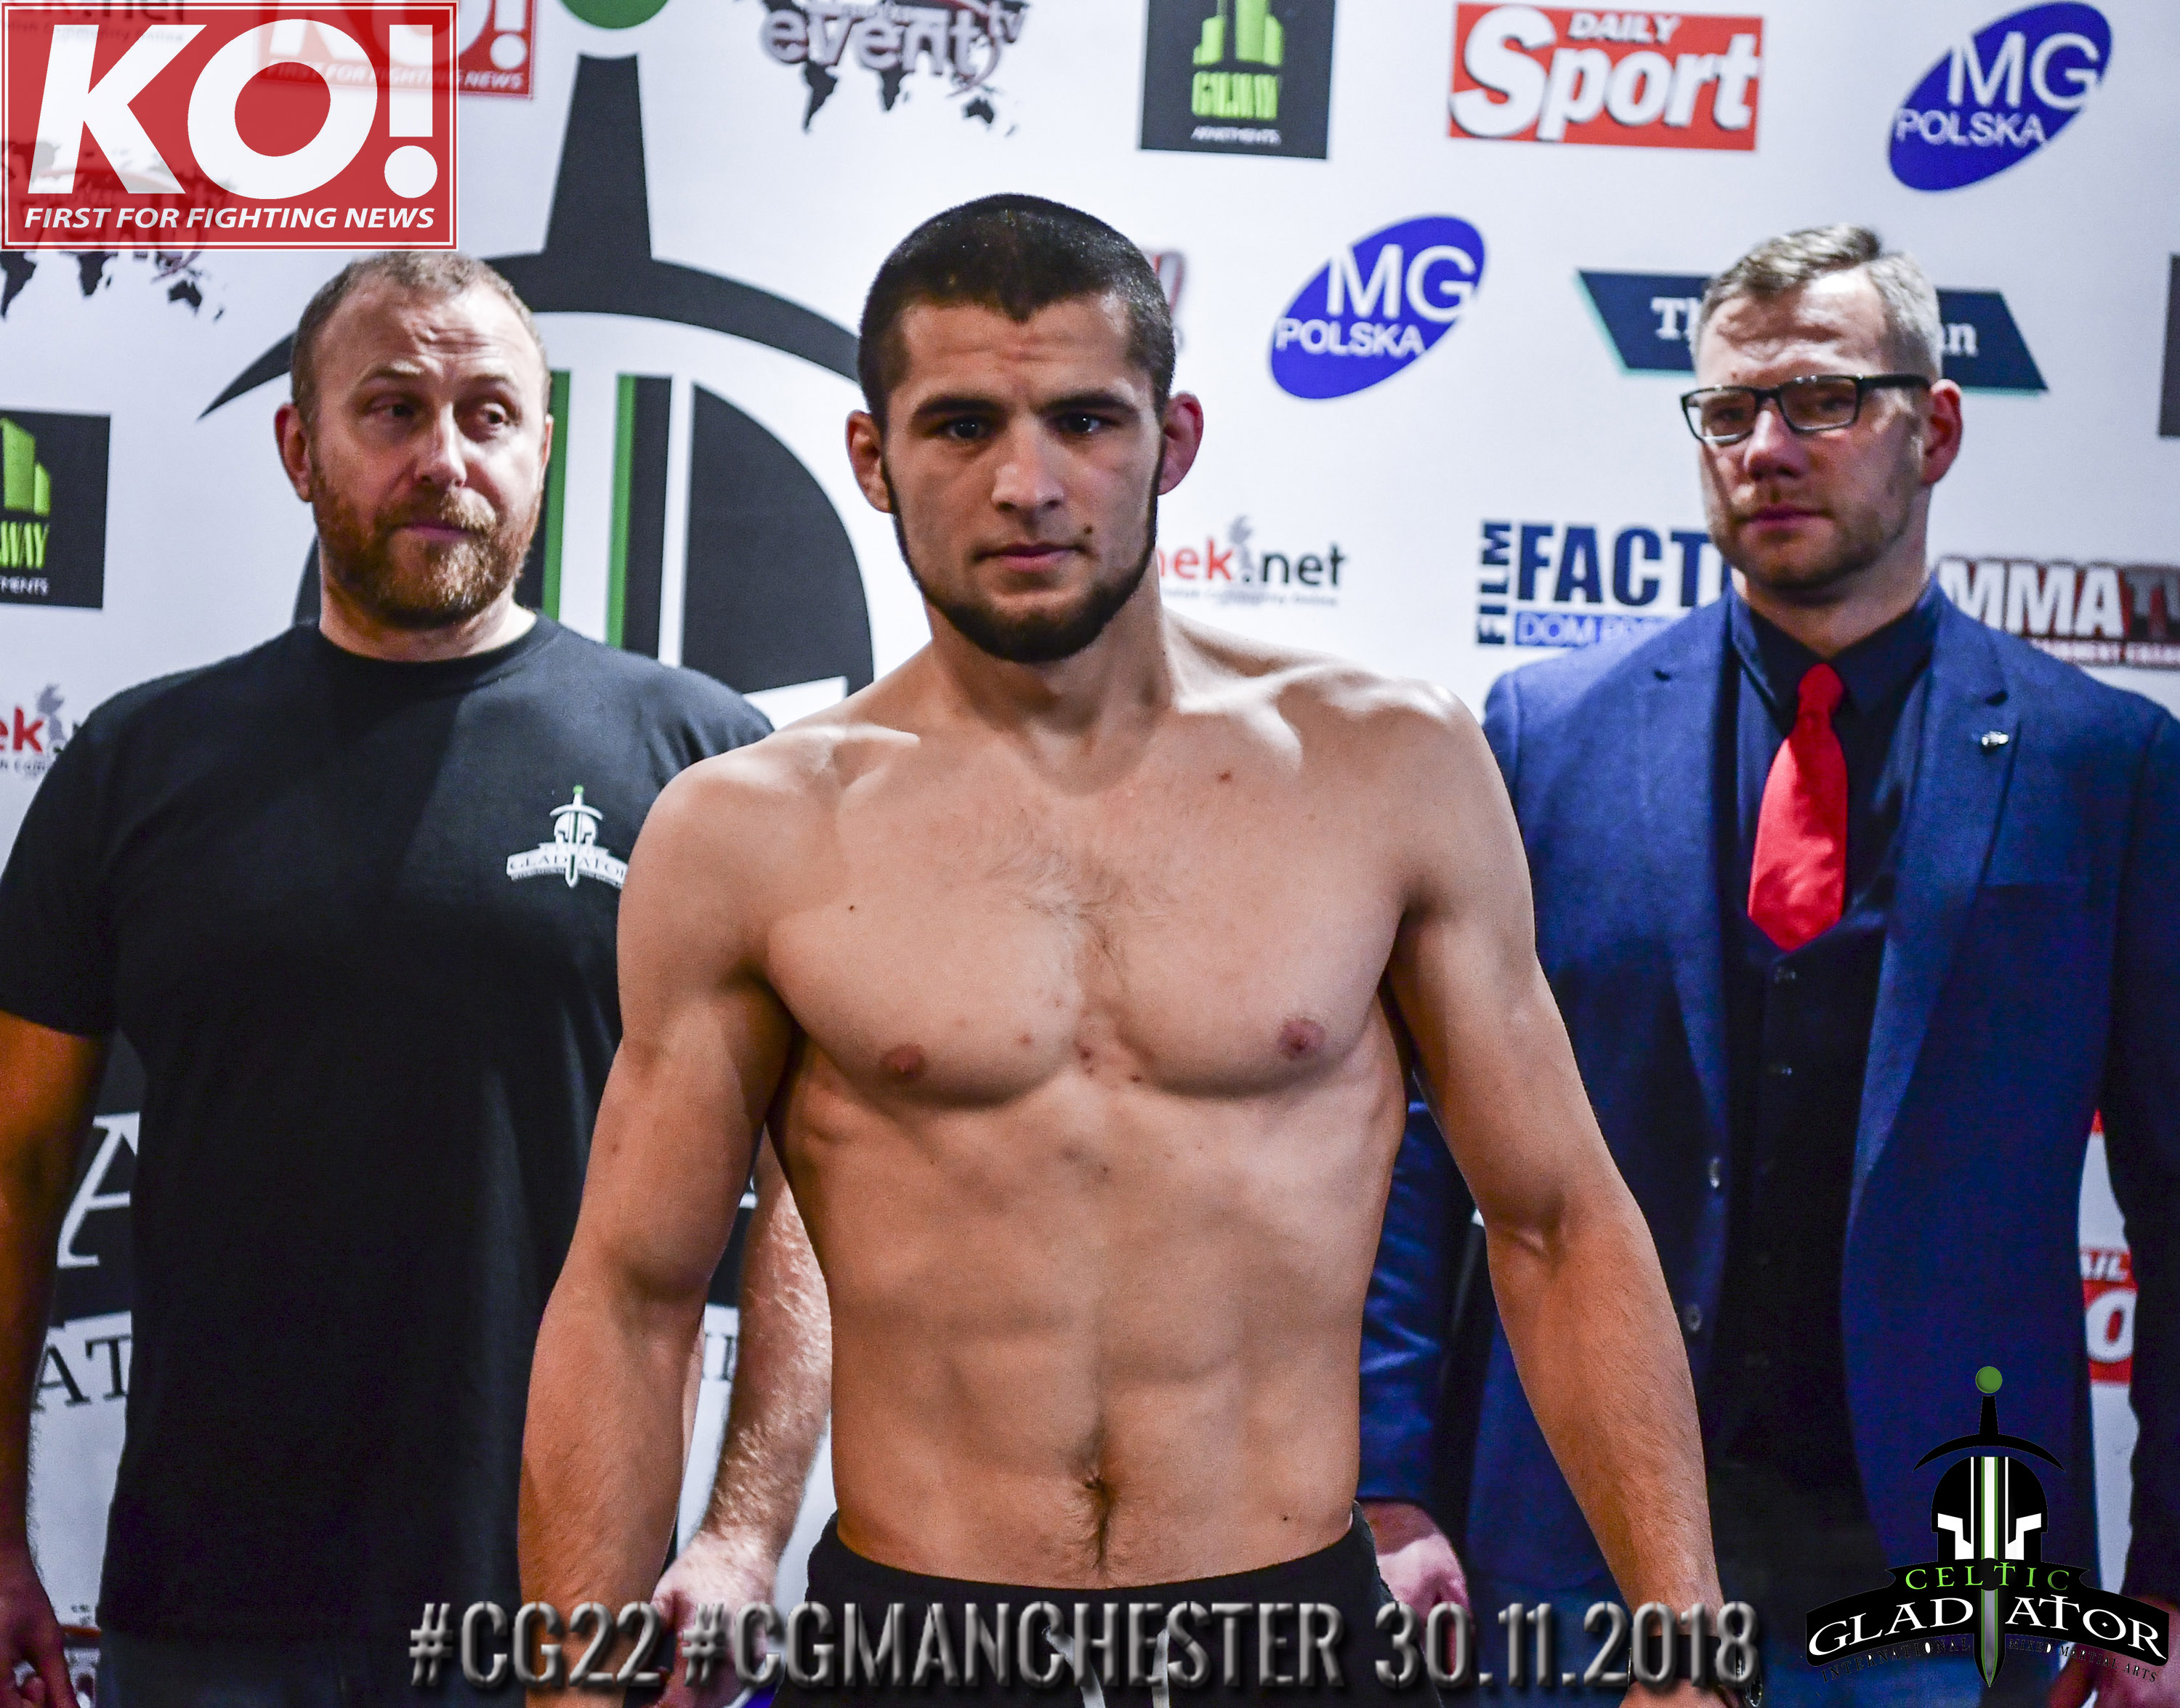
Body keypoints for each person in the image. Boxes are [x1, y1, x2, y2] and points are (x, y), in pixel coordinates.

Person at [519, 194, 1727, 1708]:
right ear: (872, 458)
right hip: (921, 1646)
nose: (1027, 484)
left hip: (1284, 1639)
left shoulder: (1383, 769)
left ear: (1175, 440)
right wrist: (571, 1688)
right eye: (961, 426)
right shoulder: (746, 831)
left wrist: (1684, 1636)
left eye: (1085, 420)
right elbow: (632, 1297)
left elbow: (1556, 1222)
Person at [1357, 226, 2180, 1707]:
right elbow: (1420, 1145)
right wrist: (1388, 1480)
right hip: (1575, 1558)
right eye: (1729, 410)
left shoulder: (2103, 766)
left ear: (1934, 429)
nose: (1767, 449)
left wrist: (2169, 1579)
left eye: (1821, 401)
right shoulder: (1546, 737)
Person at [0, 251, 828, 1708]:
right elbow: (12, 1172)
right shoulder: (137, 766)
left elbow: (812, 1187)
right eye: (391, 409)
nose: (444, 457)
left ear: (543, 451)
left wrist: (747, 1530)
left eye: (488, 414)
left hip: (568, 1610)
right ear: (298, 445)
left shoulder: (704, 767)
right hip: (211, 1608)